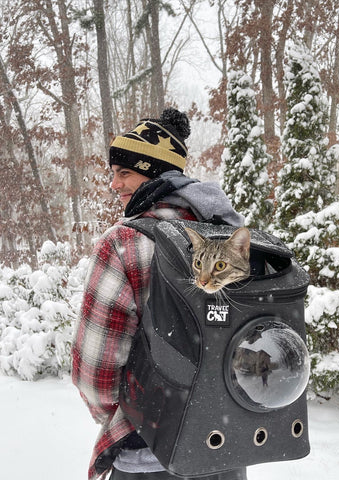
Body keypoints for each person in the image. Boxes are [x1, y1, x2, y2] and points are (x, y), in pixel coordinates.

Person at [71, 108, 247, 480]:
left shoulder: (124, 243)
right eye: (113, 174)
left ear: (153, 174)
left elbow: (94, 371)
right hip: (225, 444)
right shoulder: (226, 234)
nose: (114, 185)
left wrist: (125, 419)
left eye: (125, 173)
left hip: (149, 454)